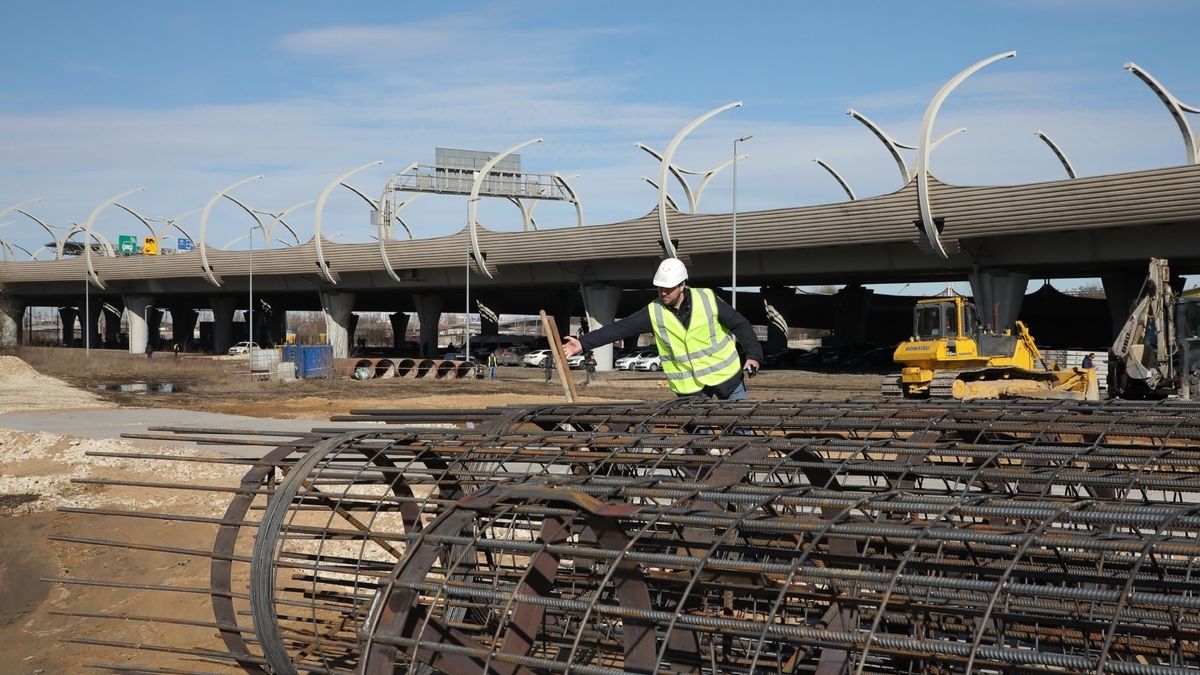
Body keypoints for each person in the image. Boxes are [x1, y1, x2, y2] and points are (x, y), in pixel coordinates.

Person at [562, 258, 763, 400]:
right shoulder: (654, 311)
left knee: (740, 432)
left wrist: (754, 355)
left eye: (669, 287)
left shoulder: (708, 299)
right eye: (660, 287)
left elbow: (741, 324)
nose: (663, 292)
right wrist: (582, 343)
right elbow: (620, 329)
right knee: (696, 445)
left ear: (682, 285)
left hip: (727, 377)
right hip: (689, 388)